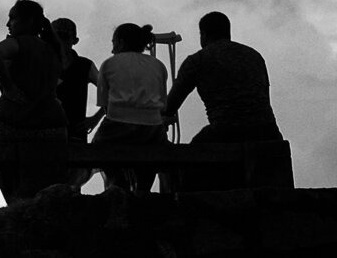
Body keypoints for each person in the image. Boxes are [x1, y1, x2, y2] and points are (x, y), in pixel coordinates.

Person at [162, 11, 283, 190]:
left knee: (183, 167)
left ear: (204, 35)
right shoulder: (254, 56)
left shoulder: (197, 61)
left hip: (226, 131)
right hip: (267, 130)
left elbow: (170, 107)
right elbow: (263, 97)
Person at [0, 0, 67, 203]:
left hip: (17, 125)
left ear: (27, 21)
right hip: (53, 128)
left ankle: (12, 201)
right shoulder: (53, 51)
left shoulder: (19, 43)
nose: (8, 24)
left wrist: (9, 85)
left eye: (12, 18)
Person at [91, 23, 168, 193]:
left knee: (96, 149)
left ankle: (117, 187)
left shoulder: (109, 64)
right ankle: (143, 190)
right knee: (154, 156)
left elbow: (105, 105)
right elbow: (163, 104)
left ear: (121, 42)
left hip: (117, 127)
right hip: (152, 130)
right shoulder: (158, 65)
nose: (112, 50)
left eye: (114, 43)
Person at [52, 18, 102, 187]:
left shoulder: (85, 65)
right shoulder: (44, 63)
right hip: (47, 132)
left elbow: (111, 92)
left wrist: (95, 118)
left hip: (75, 134)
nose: (60, 40)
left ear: (75, 40)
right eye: (56, 35)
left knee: (72, 184)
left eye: (64, 36)